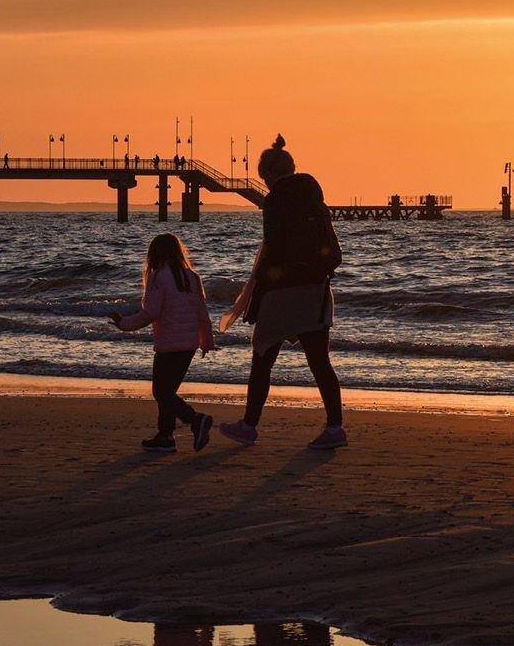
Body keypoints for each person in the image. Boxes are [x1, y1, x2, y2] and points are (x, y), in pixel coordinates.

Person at [218, 135, 345, 450]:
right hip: (317, 289)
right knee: (320, 362)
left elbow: (273, 248)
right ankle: (335, 427)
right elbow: (333, 249)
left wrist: (257, 293)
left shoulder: (276, 200)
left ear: (270, 174)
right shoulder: (315, 197)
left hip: (285, 293)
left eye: (265, 178)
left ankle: (249, 425)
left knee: (262, 358)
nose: (266, 184)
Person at [110, 233, 217, 452]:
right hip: (188, 345)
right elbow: (202, 312)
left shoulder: (159, 277)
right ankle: (165, 436)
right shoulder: (192, 276)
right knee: (166, 392)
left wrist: (124, 324)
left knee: (162, 392)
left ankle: (195, 419)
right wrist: (206, 340)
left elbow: (151, 312)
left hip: (168, 344)